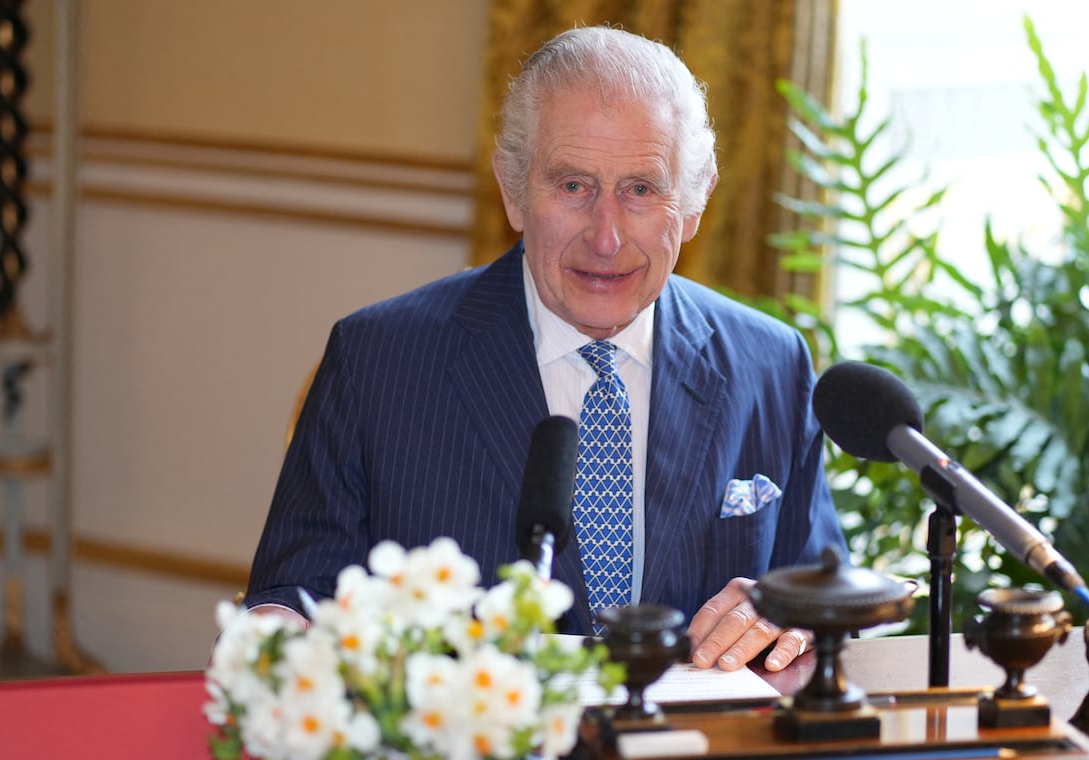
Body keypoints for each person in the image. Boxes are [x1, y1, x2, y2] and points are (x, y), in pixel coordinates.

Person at [245, 25, 845, 675]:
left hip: (693, 739)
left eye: (641, 189)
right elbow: (295, 595)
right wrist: (276, 633)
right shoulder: (377, 361)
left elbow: (819, 586)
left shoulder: (771, 364)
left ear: (695, 203)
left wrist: (788, 612)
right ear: (512, 190)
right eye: (573, 186)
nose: (606, 237)